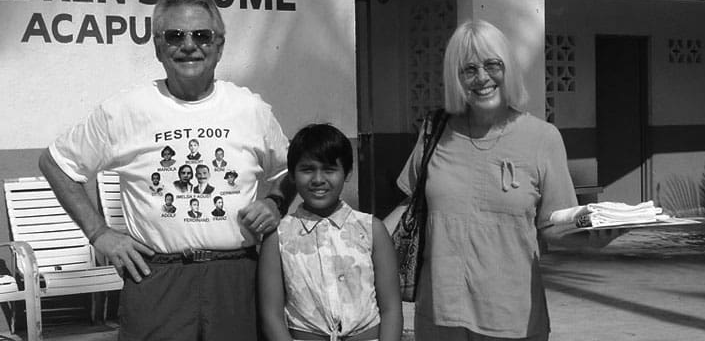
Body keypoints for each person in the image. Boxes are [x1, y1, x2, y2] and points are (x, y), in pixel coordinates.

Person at [38, 0, 294, 341]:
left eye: (202, 35)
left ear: (220, 45)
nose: (189, 45)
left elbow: (290, 169)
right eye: (175, 36)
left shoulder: (251, 110)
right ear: (158, 46)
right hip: (156, 279)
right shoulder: (124, 111)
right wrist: (99, 234)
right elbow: (57, 164)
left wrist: (275, 202)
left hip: (236, 278)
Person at [395, 20, 622, 340]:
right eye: (469, 69)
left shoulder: (542, 138)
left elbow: (555, 226)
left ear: (509, 69)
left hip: (511, 319)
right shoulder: (435, 131)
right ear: (455, 77)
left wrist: (594, 237)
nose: (482, 77)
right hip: (440, 317)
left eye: (492, 65)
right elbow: (411, 203)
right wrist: (357, 237)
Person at [259, 124, 401, 341]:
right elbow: (271, 315)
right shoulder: (278, 237)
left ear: (347, 173)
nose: (318, 179)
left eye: (329, 169)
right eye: (307, 169)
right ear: (292, 176)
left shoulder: (371, 229)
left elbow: (391, 307)